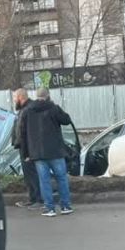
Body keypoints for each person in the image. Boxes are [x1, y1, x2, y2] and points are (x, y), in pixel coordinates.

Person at [20, 87, 73, 217]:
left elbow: (23, 133)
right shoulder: (54, 108)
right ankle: (65, 206)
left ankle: (50, 208)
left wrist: (26, 153)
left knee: (44, 181)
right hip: (56, 151)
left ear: (36, 96)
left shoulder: (28, 111)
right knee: (61, 178)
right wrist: (56, 107)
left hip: (37, 153)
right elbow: (66, 120)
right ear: (48, 95)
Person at [11, 88, 42, 209]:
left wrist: (27, 152)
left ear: (20, 97)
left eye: (14, 97)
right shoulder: (24, 109)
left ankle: (38, 200)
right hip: (24, 147)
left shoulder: (29, 109)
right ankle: (32, 198)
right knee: (29, 175)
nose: (14, 100)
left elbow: (28, 131)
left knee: (33, 174)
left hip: (29, 148)